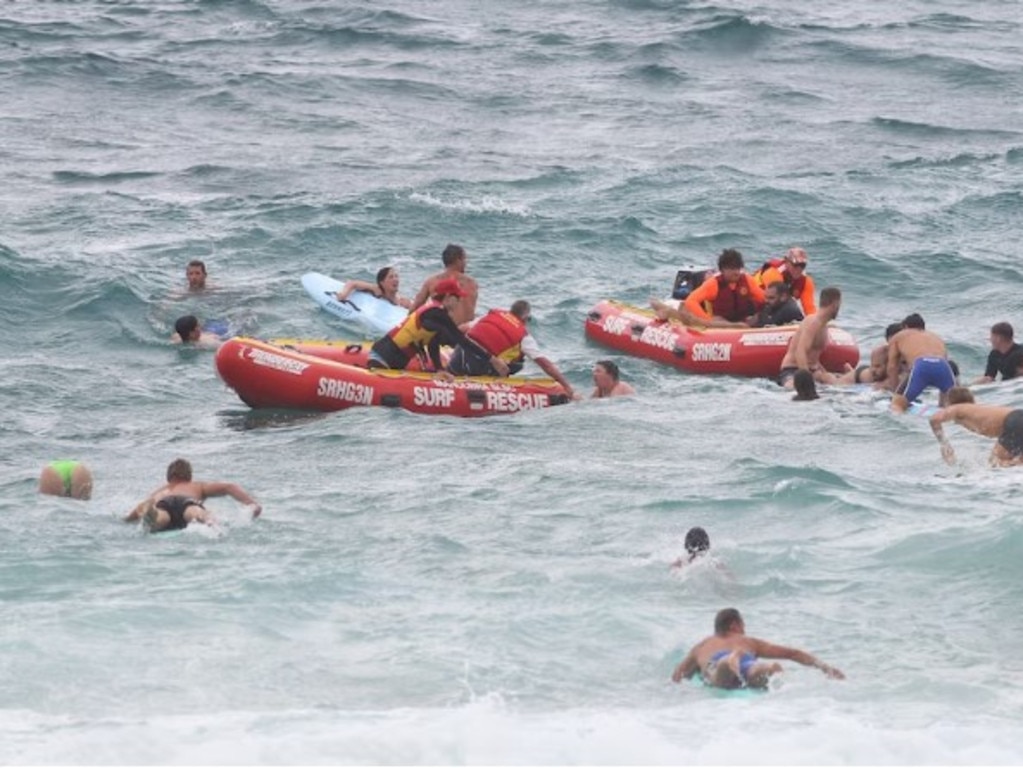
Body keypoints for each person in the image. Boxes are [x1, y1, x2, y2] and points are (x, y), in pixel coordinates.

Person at [671, 608, 845, 690]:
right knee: (756, 670)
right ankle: (768, 668)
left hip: (718, 662)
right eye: (743, 624)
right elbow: (793, 654)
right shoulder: (748, 642)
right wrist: (826, 668)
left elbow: (678, 675)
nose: (744, 629)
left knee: (719, 674)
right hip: (747, 660)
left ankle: (730, 661)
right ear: (734, 625)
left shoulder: (702, 646)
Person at [369, 278, 507, 375]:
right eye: (457, 298)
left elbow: (433, 344)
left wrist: (439, 369)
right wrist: (492, 360)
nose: (459, 302)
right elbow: (462, 341)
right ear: (448, 297)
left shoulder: (433, 310)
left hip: (390, 361)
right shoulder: (437, 313)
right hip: (382, 359)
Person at [447, 300, 575, 396]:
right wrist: (567, 387)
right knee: (518, 362)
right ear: (525, 318)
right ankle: (497, 383)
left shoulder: (492, 316)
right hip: (476, 367)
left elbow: (461, 329)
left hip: (457, 361)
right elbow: (545, 364)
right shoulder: (523, 336)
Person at [124, 458, 261, 533]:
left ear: (169, 477)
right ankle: (211, 523)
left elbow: (137, 511)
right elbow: (229, 487)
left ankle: (152, 514)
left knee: (160, 518)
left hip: (164, 502)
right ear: (189, 476)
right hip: (186, 502)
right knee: (196, 513)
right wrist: (251, 503)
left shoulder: (162, 490)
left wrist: (126, 520)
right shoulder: (197, 486)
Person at [929, 388, 1023, 467]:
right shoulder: (974, 409)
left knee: (995, 463)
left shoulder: (957, 408)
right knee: (1012, 461)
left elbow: (934, 419)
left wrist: (944, 445)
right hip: (1017, 418)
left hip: (1015, 421)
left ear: (949, 402)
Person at [887, 313, 955, 413]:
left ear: (905, 327)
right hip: (943, 365)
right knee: (957, 405)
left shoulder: (899, 336)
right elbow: (945, 361)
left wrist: (894, 395)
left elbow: (892, 367)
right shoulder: (935, 337)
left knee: (897, 404)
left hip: (922, 364)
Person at [776, 286, 843, 389]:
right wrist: (807, 380)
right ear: (835, 304)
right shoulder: (812, 322)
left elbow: (813, 358)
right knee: (793, 387)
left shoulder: (824, 326)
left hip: (813, 370)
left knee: (831, 379)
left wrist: (825, 374)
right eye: (839, 304)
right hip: (793, 370)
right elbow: (800, 352)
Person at [682, 249, 765, 324]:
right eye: (732, 269)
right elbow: (690, 301)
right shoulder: (713, 284)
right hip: (723, 324)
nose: (736, 272)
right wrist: (708, 321)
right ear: (722, 270)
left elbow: (764, 299)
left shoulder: (747, 280)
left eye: (738, 268)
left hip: (744, 322)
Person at [410, 244, 478, 327]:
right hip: (465, 334)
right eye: (464, 259)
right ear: (458, 260)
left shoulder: (432, 282)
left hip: (442, 333)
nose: (465, 263)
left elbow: (414, 309)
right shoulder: (472, 283)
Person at [753, 247, 817, 316]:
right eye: (795, 265)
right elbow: (777, 302)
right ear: (786, 262)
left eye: (802, 265)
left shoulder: (806, 281)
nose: (799, 269)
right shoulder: (773, 273)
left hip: (772, 307)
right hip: (753, 303)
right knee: (790, 308)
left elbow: (810, 309)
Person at [335, 266, 413, 309]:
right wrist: (343, 295)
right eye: (391, 277)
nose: (395, 279)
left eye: (396, 276)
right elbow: (352, 283)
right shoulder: (377, 290)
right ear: (382, 283)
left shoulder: (400, 301)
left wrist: (410, 306)